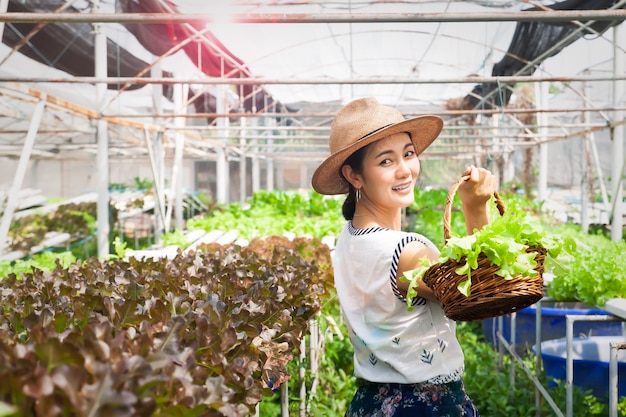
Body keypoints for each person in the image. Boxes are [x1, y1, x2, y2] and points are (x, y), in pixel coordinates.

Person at [311, 97, 496, 417]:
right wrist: (476, 207)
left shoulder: (350, 237)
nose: (405, 170)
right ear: (354, 176)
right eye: (386, 161)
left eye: (408, 154)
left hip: (370, 402)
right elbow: (479, 295)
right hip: (422, 406)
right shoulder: (409, 250)